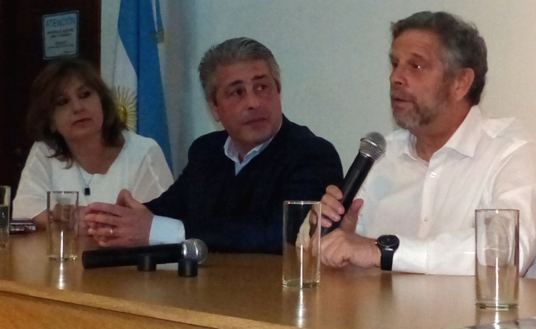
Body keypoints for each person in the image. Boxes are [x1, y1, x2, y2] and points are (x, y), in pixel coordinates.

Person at [319, 11, 536, 278]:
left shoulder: (517, 155)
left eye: (416, 66)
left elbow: (503, 254)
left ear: (461, 83)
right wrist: (333, 233)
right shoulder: (381, 154)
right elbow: (309, 248)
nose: (395, 78)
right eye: (395, 64)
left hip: (491, 320)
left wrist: (383, 251)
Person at [84, 38, 343, 252]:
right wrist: (117, 219)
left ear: (278, 92)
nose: (253, 102)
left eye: (262, 87)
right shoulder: (207, 151)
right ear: (214, 108)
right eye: (237, 92)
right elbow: (169, 208)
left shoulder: (312, 154)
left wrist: (159, 229)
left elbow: (283, 235)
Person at [13, 58, 173, 229]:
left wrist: (88, 222)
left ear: (102, 103)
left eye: (85, 95)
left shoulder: (145, 153)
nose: (77, 107)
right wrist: (60, 219)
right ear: (51, 121)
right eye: (62, 102)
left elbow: (162, 223)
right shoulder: (45, 151)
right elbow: (22, 210)